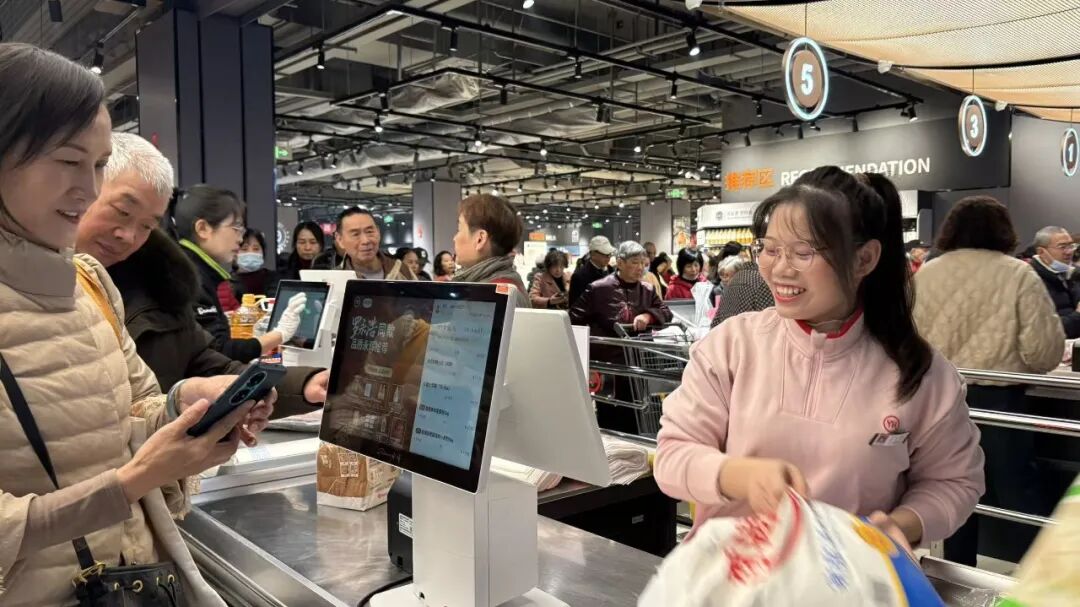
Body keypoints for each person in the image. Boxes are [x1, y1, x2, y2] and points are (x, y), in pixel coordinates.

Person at [0, 43, 274, 605]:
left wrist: (184, 407)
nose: (89, 188)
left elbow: (133, 410)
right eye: (68, 161)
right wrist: (133, 481)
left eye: (99, 165)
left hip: (133, 581)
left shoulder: (89, 283)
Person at [655, 167, 984, 549]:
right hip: (729, 572)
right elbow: (672, 456)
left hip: (850, 575)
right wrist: (734, 474)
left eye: (803, 252)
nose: (780, 268)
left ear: (864, 259)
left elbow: (954, 481)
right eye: (770, 249)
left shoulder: (921, 373)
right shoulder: (732, 345)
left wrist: (901, 526)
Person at [76, 132, 330, 407]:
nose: (128, 236)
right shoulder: (49, 289)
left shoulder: (164, 290)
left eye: (147, 226)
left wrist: (302, 385)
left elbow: (208, 365)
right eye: (122, 212)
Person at [914, 197, 1064, 566]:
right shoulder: (1018, 274)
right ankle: (1034, 579)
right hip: (1001, 404)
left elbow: (907, 343)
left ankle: (954, 575)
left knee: (951, 492)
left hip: (938, 402)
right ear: (1004, 230)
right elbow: (1044, 352)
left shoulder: (927, 274)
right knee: (1019, 495)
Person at [172, 185, 303, 362]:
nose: (240, 239)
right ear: (203, 228)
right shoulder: (189, 278)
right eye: (236, 228)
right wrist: (280, 333)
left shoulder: (192, 270)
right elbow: (219, 351)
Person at [571, 241, 673, 432]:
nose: (640, 267)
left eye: (643, 263)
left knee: (640, 416)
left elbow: (666, 312)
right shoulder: (598, 289)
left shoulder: (647, 289)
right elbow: (573, 318)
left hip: (639, 364)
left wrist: (648, 316)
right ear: (620, 262)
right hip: (608, 366)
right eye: (634, 262)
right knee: (610, 417)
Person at [451, 194, 529, 307]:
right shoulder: (505, 288)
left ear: (480, 239)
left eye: (459, 230)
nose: (454, 238)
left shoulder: (491, 297)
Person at [312, 206, 416, 280]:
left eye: (369, 232)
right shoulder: (335, 279)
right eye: (355, 234)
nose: (365, 241)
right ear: (340, 240)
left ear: (378, 232)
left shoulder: (401, 271)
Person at [1029, 226, 1080, 338]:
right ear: (1041, 252)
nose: (1069, 252)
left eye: (1071, 246)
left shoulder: (1073, 274)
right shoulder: (1031, 281)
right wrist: (1077, 316)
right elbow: (1043, 330)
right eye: (1062, 247)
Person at [709, 256, 775, 328]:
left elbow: (715, 323)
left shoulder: (730, 288)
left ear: (738, 271)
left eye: (727, 275)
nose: (725, 279)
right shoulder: (759, 282)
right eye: (722, 275)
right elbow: (770, 322)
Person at [233, 228, 281, 298]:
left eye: (256, 249)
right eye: (244, 249)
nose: (251, 253)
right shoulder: (228, 283)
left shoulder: (274, 279)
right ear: (235, 253)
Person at [569, 235, 615, 306]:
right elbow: (575, 306)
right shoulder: (579, 276)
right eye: (605, 254)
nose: (608, 257)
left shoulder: (612, 271)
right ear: (593, 254)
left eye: (609, 254)